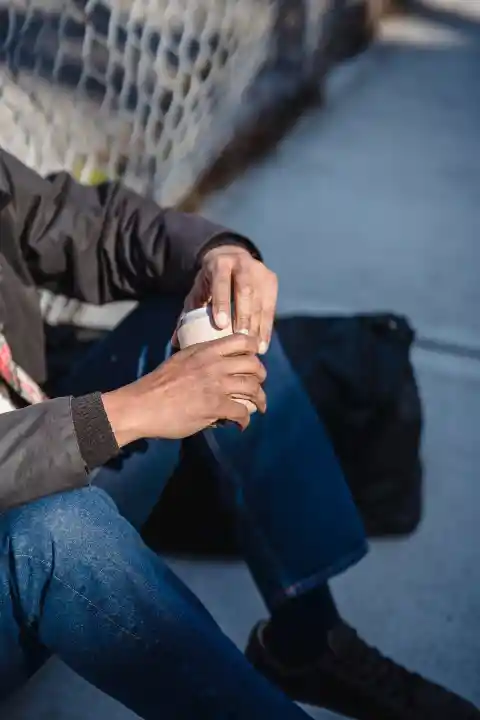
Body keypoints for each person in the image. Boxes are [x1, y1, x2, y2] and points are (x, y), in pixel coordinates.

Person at [0, 147, 476, 720]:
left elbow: (80, 220)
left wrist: (219, 255)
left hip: (40, 449)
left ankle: (308, 641)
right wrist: (124, 412)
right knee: (57, 533)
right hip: (23, 550)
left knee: (219, 328)